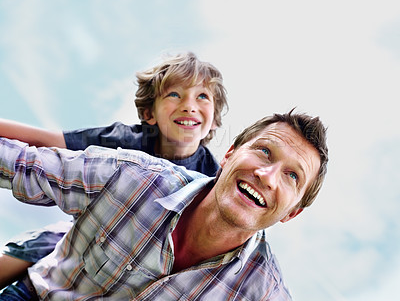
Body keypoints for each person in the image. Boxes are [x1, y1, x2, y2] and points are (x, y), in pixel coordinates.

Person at [0, 109, 329, 300]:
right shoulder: (134, 176)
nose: (267, 176)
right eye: (264, 151)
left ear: (292, 212)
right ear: (229, 155)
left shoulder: (262, 293)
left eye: (292, 176)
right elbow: (24, 164)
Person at [0, 51, 228, 290]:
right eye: (174, 94)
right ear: (150, 113)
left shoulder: (212, 179)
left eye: (202, 96)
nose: (189, 106)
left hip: (149, 264)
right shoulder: (126, 143)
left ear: (213, 120)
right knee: (48, 240)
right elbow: (48, 141)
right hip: (96, 237)